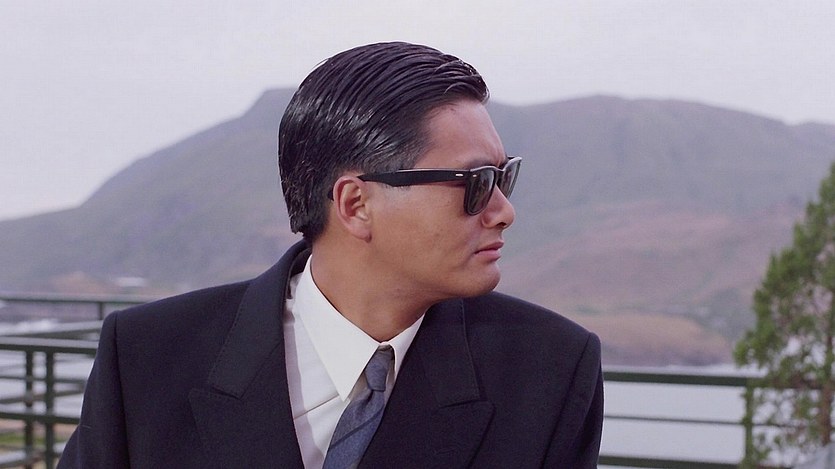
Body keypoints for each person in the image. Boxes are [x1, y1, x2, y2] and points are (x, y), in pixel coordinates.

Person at [58, 42, 603, 469]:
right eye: (476, 182)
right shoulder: (148, 355)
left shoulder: (549, 369)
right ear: (355, 204)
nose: (504, 211)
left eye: (505, 177)